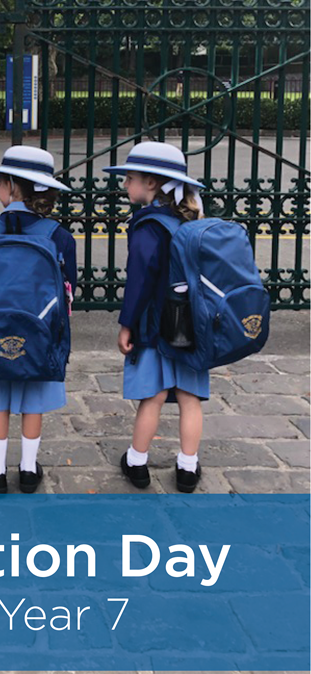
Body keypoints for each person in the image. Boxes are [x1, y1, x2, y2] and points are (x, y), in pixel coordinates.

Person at [0, 146, 76, 494]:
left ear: (10, 185)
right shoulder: (58, 237)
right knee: (33, 400)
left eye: (0, 183)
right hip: (40, 335)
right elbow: (70, 291)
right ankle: (27, 469)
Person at [104, 141, 208, 493]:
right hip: (193, 324)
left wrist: (126, 323)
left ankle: (137, 462)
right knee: (190, 397)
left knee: (154, 395)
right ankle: (187, 468)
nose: (125, 185)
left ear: (151, 183)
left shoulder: (148, 226)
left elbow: (140, 280)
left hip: (156, 326)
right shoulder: (192, 220)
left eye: (129, 178)